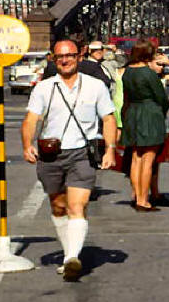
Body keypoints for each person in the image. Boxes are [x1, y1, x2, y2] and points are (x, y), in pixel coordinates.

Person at [20, 39, 116, 280]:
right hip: (51, 154)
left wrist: (111, 149)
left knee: (77, 205)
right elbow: (32, 119)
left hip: (83, 153)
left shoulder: (95, 86)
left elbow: (108, 119)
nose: (65, 60)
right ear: (53, 59)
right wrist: (26, 144)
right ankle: (69, 252)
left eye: (70, 55)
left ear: (79, 57)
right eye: (60, 56)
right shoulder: (44, 88)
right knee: (58, 206)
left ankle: (71, 258)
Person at [120, 39, 169, 212]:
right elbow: (162, 99)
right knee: (148, 160)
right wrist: (162, 112)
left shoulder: (127, 72)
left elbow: (126, 98)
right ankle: (143, 200)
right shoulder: (148, 74)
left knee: (136, 158)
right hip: (149, 115)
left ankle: (136, 196)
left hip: (132, 114)